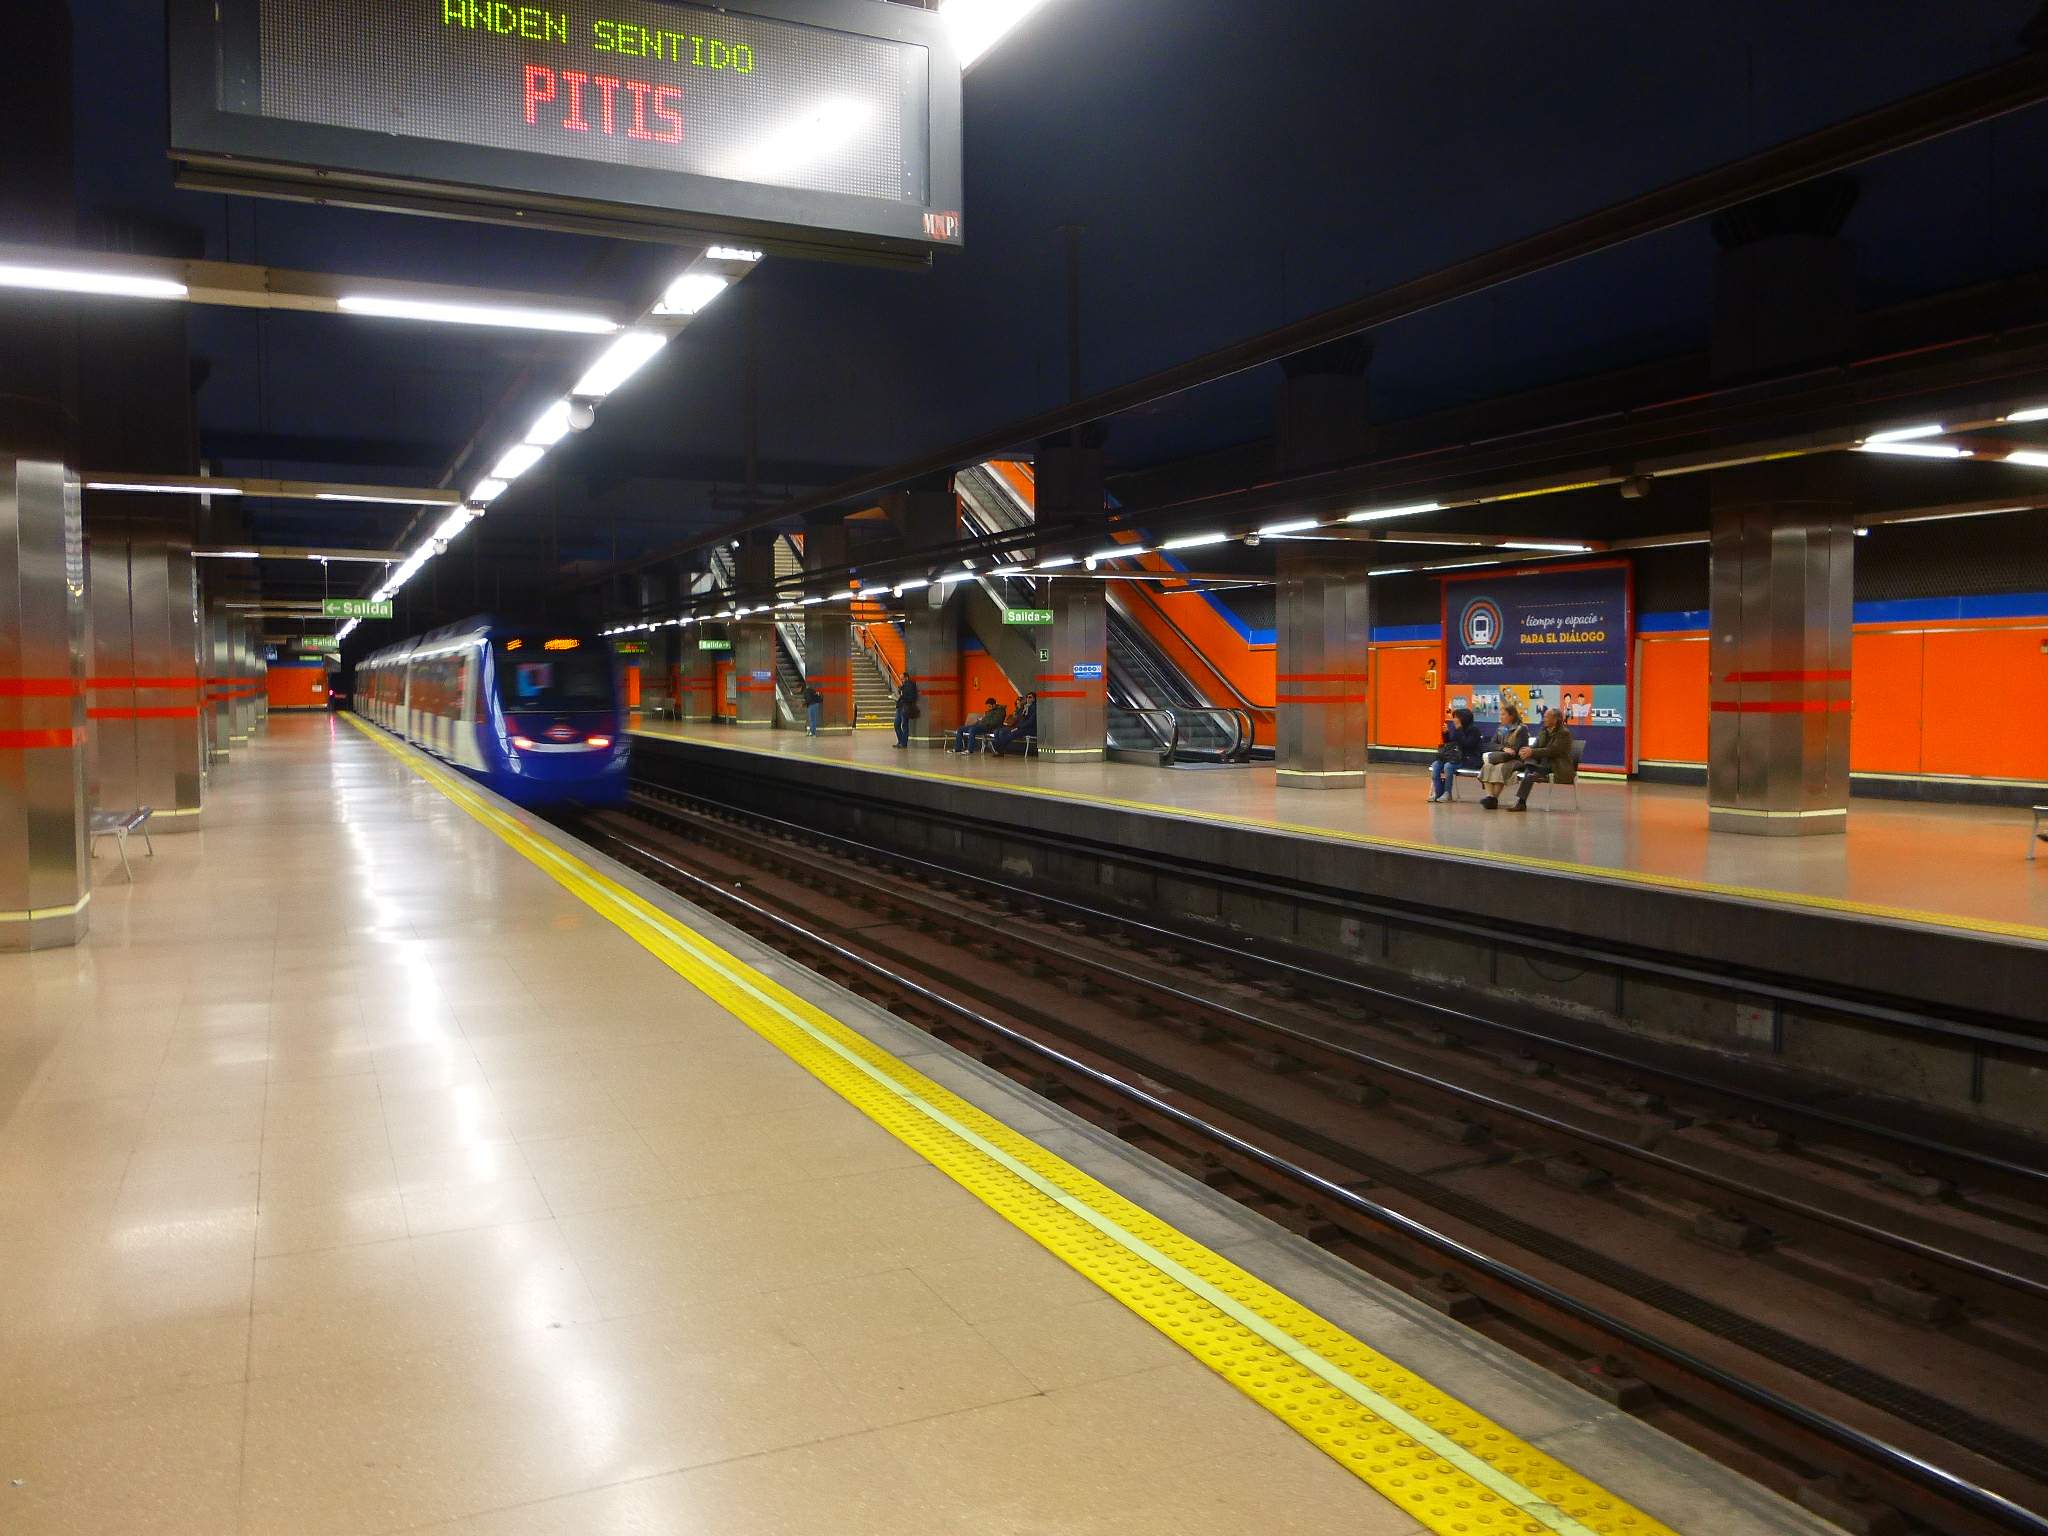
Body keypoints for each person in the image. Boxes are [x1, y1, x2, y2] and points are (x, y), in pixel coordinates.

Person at [1498, 707, 1576, 812]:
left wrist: (1532, 752)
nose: (1544, 719)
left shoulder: (1564, 733)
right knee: (1530, 768)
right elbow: (1536, 747)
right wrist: (1527, 751)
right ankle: (1533, 776)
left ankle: (1522, 801)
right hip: (1542, 763)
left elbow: (1552, 751)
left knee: (1530, 769)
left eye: (1547, 717)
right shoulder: (1543, 731)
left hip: (1557, 766)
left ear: (1556, 719)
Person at [1476, 704, 1529, 807]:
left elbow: (1516, 751)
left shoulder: (1521, 729)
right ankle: (1491, 797)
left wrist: (1507, 752)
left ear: (1511, 716)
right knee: (1487, 766)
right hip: (1501, 756)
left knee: (1500, 768)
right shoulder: (1500, 729)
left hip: (1515, 759)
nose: (1501, 717)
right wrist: (1502, 748)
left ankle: (1492, 799)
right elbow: (1492, 744)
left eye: (1503, 714)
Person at [1428, 706, 1483, 802]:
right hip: (1453, 756)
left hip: (1467, 758)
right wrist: (1445, 734)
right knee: (1436, 765)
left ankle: (1447, 793)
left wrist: (1459, 730)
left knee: (1448, 767)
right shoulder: (1456, 729)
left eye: (1456, 717)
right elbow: (1450, 743)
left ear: (1463, 718)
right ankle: (1438, 793)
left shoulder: (1474, 730)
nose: (1454, 719)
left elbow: (1467, 744)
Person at [893, 677, 919, 748]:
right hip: (900, 706)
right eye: (901, 679)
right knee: (897, 724)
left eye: (902, 679)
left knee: (904, 725)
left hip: (905, 707)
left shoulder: (910, 685)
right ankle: (901, 741)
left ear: (906, 678)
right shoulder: (903, 686)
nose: (901, 680)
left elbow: (910, 697)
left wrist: (902, 696)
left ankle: (903, 743)